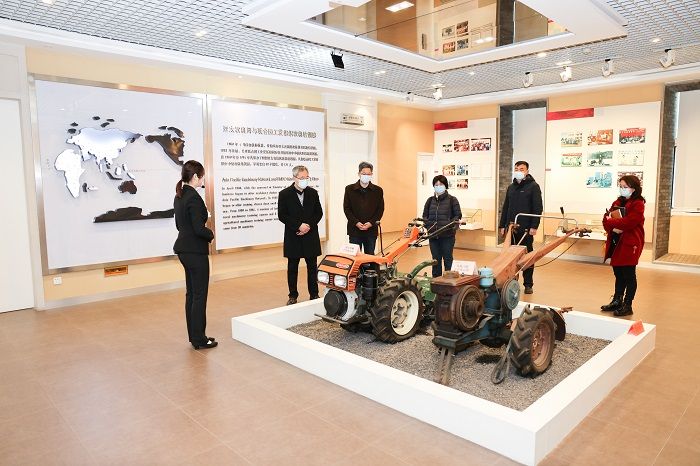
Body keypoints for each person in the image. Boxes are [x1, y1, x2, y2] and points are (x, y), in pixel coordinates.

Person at [173, 160, 217, 350]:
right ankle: (199, 339)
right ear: (196, 177)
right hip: (195, 252)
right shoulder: (194, 197)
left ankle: (194, 336)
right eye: (202, 176)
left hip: (184, 250)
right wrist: (210, 234)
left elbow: (180, 225)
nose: (203, 180)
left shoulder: (180, 195)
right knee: (199, 296)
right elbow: (199, 229)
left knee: (191, 294)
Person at [278, 165, 324, 305]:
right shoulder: (284, 194)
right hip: (294, 235)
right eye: (302, 177)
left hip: (310, 235)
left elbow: (319, 213)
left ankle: (314, 294)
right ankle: (293, 295)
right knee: (293, 267)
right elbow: (282, 215)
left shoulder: (313, 193)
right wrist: (298, 225)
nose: (305, 180)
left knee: (312, 267)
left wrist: (308, 226)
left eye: (307, 177)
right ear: (294, 178)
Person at [601, 175, 645, 317]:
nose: (622, 189)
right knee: (618, 273)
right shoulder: (617, 202)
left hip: (630, 243)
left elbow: (629, 222)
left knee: (629, 275)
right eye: (620, 186)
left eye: (625, 187)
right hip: (616, 241)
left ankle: (627, 304)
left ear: (633, 188)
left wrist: (612, 223)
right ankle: (617, 300)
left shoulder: (638, 203)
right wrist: (613, 227)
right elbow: (605, 219)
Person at [498, 160, 543, 294]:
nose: (518, 171)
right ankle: (511, 281)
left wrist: (534, 226)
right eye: (516, 169)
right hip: (511, 228)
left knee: (527, 257)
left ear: (527, 171)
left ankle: (528, 284)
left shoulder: (533, 186)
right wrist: (502, 225)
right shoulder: (511, 187)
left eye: (521, 169)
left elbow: (537, 208)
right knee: (510, 257)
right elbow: (506, 207)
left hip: (526, 229)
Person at [422, 175, 462, 277]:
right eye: (436, 185)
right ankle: (436, 281)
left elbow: (457, 216)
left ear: (445, 186)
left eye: (441, 184)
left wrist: (450, 226)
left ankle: (449, 281)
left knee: (448, 259)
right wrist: (428, 226)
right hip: (433, 236)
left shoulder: (452, 200)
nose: (438, 186)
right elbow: (425, 216)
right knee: (435, 261)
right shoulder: (430, 200)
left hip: (447, 236)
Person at [343, 161, 384, 254]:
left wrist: (371, 223)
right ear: (359, 174)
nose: (366, 176)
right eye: (363, 173)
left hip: (371, 230)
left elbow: (380, 209)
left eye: (368, 174)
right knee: (355, 256)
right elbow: (347, 209)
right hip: (354, 230)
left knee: (369, 256)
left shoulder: (378, 190)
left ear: (371, 174)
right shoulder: (349, 189)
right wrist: (356, 222)